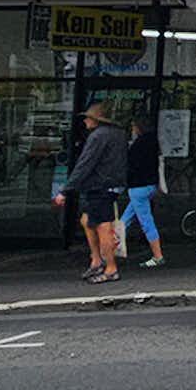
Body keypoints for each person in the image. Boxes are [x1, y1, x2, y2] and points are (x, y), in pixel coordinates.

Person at [54, 103, 127, 284]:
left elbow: (85, 164)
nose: (85, 121)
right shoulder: (118, 134)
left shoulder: (98, 136)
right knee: (87, 221)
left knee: (104, 228)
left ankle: (110, 268)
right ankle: (96, 260)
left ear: (96, 119)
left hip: (100, 186)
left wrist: (66, 190)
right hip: (111, 184)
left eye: (87, 117)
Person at [115, 115, 165, 268]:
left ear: (138, 128)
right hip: (150, 185)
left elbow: (130, 166)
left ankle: (158, 256)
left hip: (138, 187)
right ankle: (112, 250)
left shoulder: (137, 145)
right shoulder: (153, 141)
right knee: (125, 220)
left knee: (146, 222)